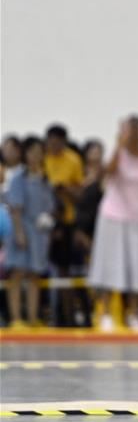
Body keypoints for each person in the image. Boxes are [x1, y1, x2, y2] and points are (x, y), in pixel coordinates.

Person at [88, 116, 138, 332]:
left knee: (137, 267)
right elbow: (106, 173)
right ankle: (107, 313)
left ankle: (134, 313)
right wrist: (119, 144)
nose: (134, 135)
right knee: (112, 264)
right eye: (130, 130)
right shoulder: (117, 154)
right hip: (114, 216)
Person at [4, 136, 55, 327]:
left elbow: (48, 206)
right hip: (22, 229)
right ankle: (16, 318)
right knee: (17, 273)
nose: (36, 156)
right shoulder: (19, 178)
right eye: (31, 152)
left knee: (35, 274)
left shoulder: (44, 179)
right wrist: (18, 232)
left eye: (39, 152)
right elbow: (15, 208)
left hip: (39, 233)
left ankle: (33, 318)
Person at [44, 124, 85, 326]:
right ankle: (46, 315)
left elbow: (80, 194)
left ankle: (68, 318)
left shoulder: (73, 160)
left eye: (58, 141)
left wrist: (63, 190)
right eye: (51, 141)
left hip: (66, 222)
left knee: (65, 272)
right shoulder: (42, 159)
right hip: (42, 222)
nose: (54, 145)